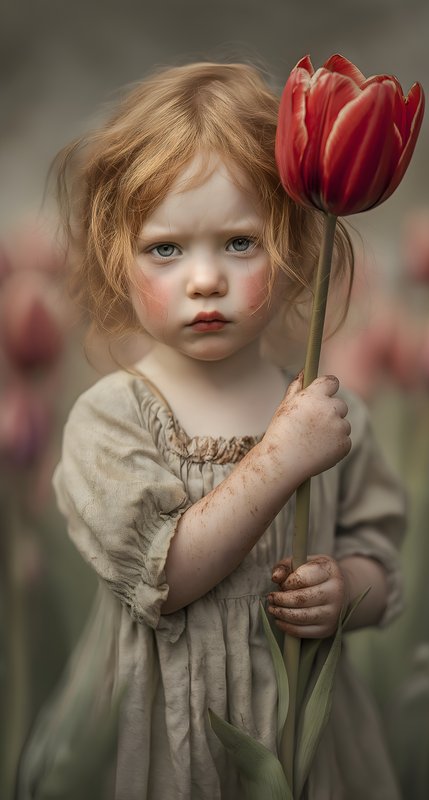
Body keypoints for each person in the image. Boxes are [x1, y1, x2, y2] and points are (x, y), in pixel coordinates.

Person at [18, 62, 405, 800]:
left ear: (292, 248)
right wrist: (281, 458)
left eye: (238, 243)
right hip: (165, 736)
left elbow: (380, 561)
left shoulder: (322, 406)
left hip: (303, 739)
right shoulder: (111, 420)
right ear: (116, 256)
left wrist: (348, 587)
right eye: (166, 249)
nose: (205, 279)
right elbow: (168, 578)